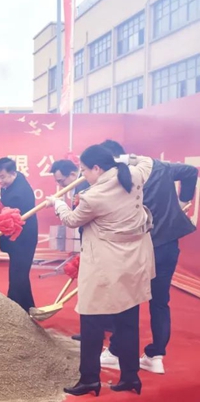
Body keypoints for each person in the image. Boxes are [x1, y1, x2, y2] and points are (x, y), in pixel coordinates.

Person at [45, 145, 155, 396]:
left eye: (84, 170)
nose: (83, 175)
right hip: (133, 262)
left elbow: (72, 220)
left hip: (105, 265)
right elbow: (147, 161)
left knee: (91, 323)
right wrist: (120, 159)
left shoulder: (94, 196)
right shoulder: (134, 174)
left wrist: (57, 203)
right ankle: (130, 376)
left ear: (97, 168)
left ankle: (90, 379)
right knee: (128, 320)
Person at [99, 139, 197, 375]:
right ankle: (156, 356)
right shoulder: (158, 166)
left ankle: (116, 352)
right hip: (167, 247)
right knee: (160, 302)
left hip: (138, 247)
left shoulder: (118, 178)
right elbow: (191, 171)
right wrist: (183, 202)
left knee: (126, 300)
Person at [0, 157, 38, 312]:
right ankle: (27, 308)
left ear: (13, 173)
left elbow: (9, 220)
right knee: (18, 274)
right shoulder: (11, 184)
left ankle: (13, 310)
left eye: (2, 177)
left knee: (18, 275)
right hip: (14, 236)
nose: (0, 181)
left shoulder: (19, 193)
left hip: (23, 238)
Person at [50, 158, 91, 342]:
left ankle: (92, 330)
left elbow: (75, 218)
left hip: (94, 242)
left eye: (61, 181)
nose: (60, 185)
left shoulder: (86, 187)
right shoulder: (78, 186)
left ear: (73, 174)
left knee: (89, 287)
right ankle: (103, 325)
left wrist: (59, 205)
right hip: (88, 239)